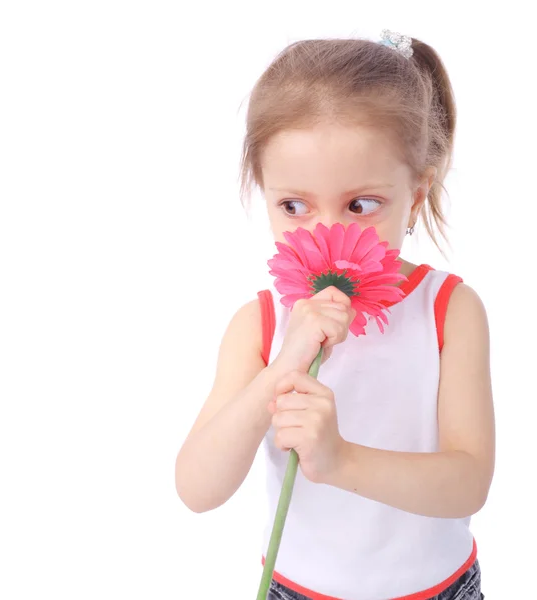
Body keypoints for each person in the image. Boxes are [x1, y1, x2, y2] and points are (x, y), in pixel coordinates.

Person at [175, 30, 494, 600]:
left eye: (361, 205)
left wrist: (341, 459)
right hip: (298, 589)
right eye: (293, 206)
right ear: (265, 195)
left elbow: (469, 483)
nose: (329, 235)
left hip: (438, 589)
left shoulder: (450, 311)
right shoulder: (261, 325)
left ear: (416, 195)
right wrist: (279, 371)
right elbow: (197, 489)